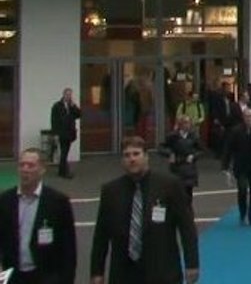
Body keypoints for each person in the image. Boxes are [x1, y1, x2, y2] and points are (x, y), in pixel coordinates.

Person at [90, 136, 199, 284]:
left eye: (136, 154)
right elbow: (101, 235)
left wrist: (192, 263)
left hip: (162, 270)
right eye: (127, 155)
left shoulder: (169, 185)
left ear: (146, 156)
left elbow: (187, 227)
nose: (132, 159)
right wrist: (97, 271)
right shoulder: (111, 191)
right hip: (124, 273)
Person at [0, 147, 77, 284]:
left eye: (31, 165)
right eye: (22, 165)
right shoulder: (5, 201)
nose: (25, 169)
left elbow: (68, 248)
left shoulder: (58, 202)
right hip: (13, 276)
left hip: (45, 276)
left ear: (42, 170)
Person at [221, 108, 251, 227]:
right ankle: (243, 212)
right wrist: (225, 165)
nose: (249, 118)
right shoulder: (236, 131)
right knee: (242, 190)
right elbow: (228, 148)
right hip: (240, 165)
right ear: (243, 118)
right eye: (247, 116)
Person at [161, 115, 202, 203]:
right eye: (184, 123)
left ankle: (188, 214)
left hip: (189, 168)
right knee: (177, 193)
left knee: (188, 195)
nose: (187, 125)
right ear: (180, 124)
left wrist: (194, 156)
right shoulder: (172, 136)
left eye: (188, 123)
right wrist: (169, 154)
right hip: (177, 167)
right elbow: (161, 148)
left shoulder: (193, 136)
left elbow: (201, 150)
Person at [50, 87, 81, 179]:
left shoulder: (71, 106)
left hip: (70, 132)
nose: (69, 96)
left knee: (65, 152)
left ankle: (61, 171)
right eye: (67, 94)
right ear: (63, 95)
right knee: (64, 152)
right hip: (62, 132)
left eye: (70, 95)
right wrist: (55, 133)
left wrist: (74, 106)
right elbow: (54, 120)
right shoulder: (57, 106)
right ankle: (64, 172)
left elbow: (79, 115)